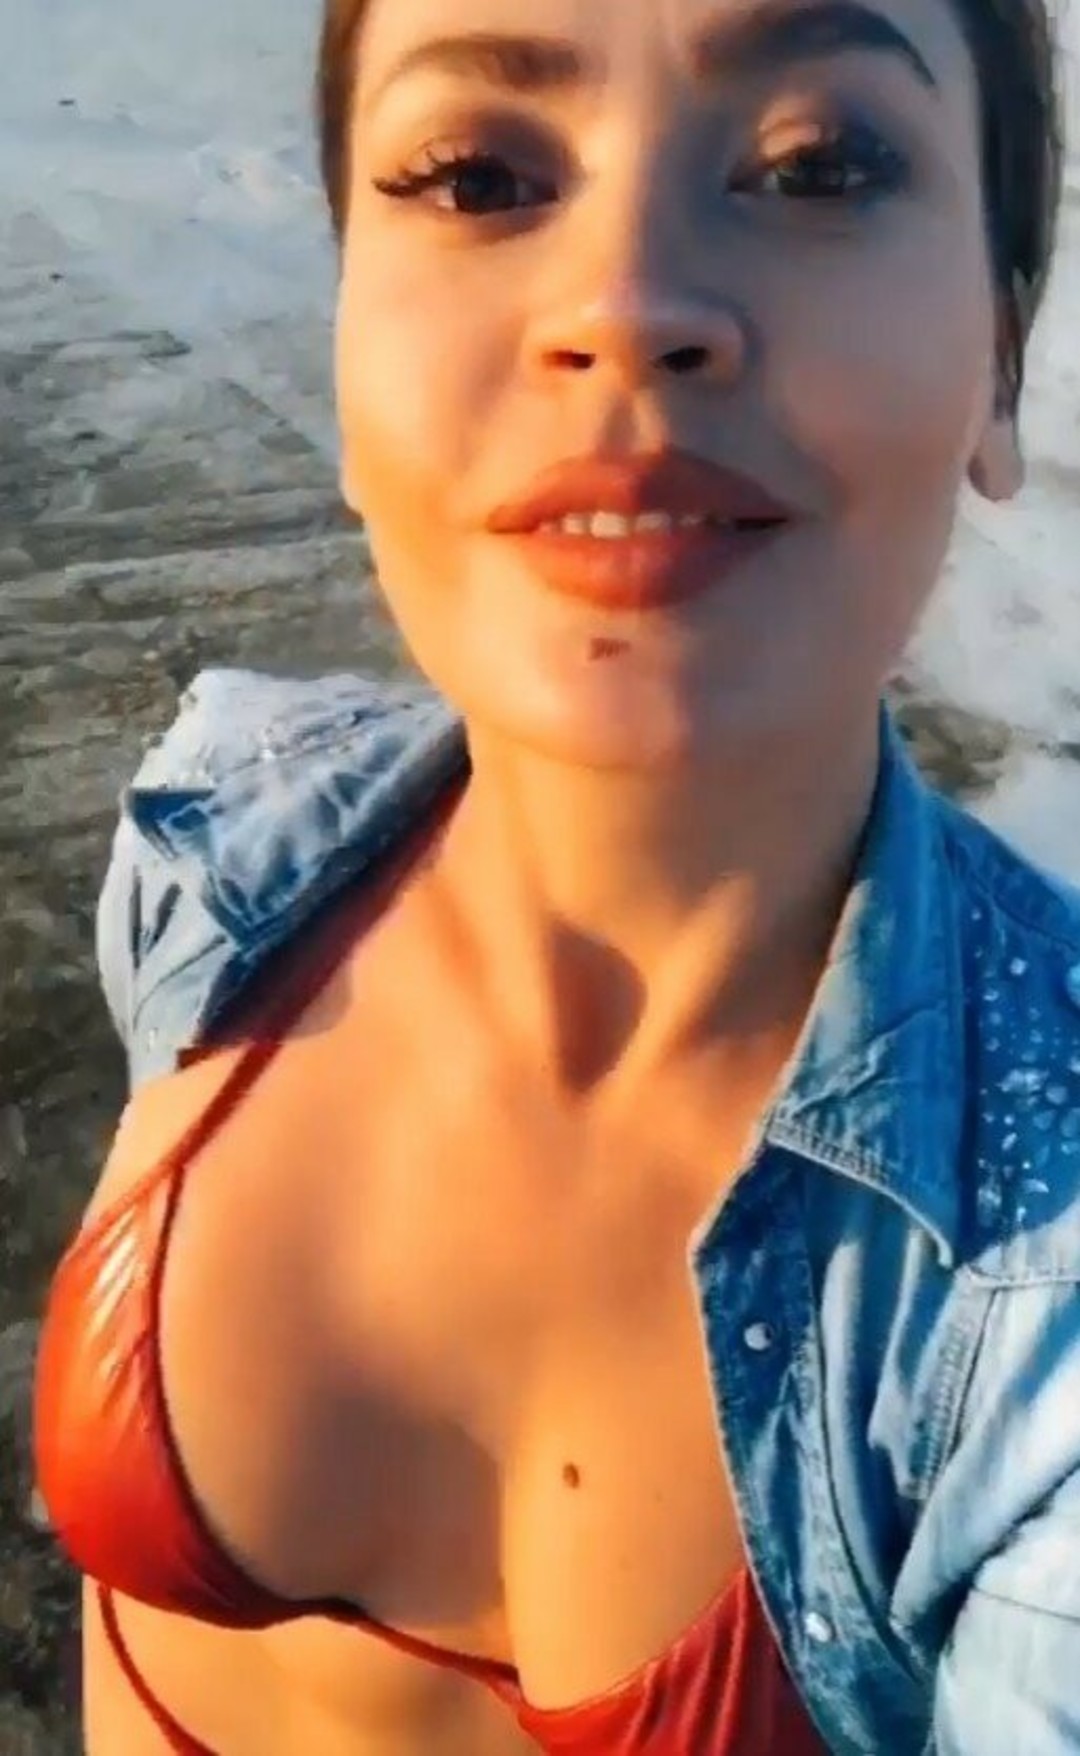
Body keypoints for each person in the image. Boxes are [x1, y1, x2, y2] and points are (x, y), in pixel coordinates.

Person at [31, 0, 1077, 1750]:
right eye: (476, 177)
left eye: (820, 165)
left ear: (1002, 354)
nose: (627, 301)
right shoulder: (216, 842)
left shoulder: (1041, 1304)